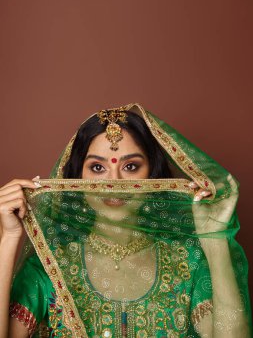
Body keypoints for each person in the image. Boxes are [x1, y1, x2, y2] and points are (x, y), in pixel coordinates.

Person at [0, 103, 251, 337]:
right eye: (98, 168)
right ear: (75, 180)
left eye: (131, 167)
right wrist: (9, 237)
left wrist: (214, 238)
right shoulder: (48, 266)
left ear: (153, 176)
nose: (114, 184)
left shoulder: (188, 264)